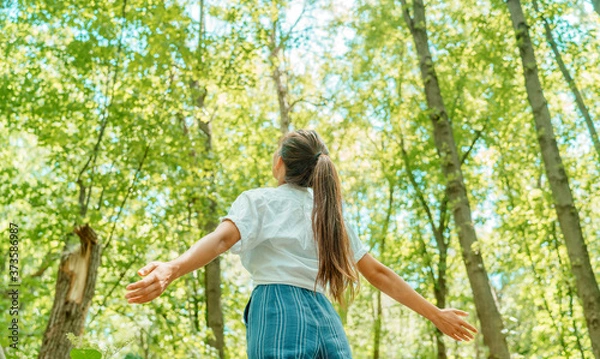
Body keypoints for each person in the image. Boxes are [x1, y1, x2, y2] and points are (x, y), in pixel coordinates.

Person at [125, 129, 478, 358]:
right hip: (325, 316)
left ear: (280, 164)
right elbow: (379, 273)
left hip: (277, 306)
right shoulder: (331, 215)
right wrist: (436, 314)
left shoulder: (261, 200)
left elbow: (220, 241)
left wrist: (172, 267)